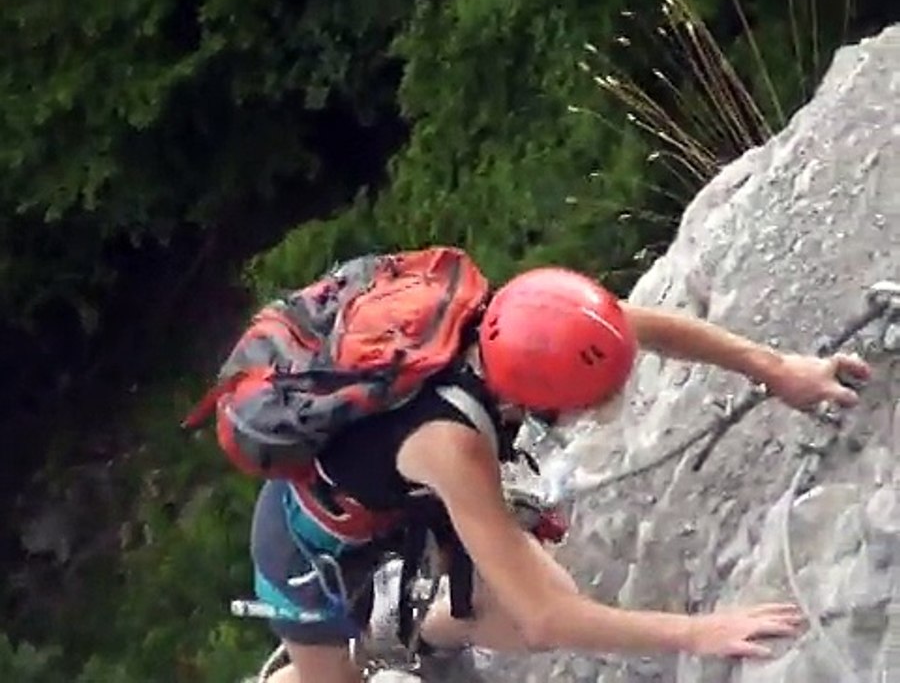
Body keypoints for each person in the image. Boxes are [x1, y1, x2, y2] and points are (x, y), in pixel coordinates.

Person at [248, 266, 870, 683]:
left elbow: (641, 328)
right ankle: (346, 651)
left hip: (403, 498)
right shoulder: (452, 446)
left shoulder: (527, 323)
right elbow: (545, 615)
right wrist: (699, 633)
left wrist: (778, 369)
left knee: (516, 614)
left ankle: (414, 631)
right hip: (310, 554)